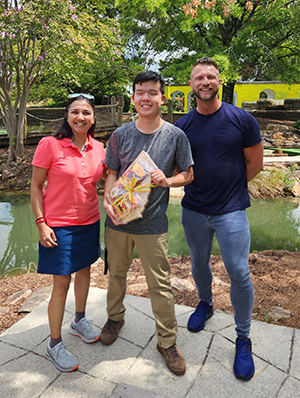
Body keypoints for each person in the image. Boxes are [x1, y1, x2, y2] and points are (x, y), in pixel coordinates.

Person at [175, 57, 263, 381]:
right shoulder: (182, 126)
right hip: (194, 210)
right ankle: (206, 303)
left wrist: (230, 191)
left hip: (231, 211)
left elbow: (255, 164)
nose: (206, 82)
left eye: (211, 76)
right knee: (198, 264)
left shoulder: (242, 119)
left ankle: (243, 338)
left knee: (239, 271)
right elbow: (179, 169)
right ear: (192, 84)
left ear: (219, 81)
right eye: (200, 77)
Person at [101, 70, 194, 376]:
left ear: (162, 97)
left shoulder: (175, 135)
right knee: (116, 275)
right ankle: (115, 317)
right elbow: (111, 172)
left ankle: (166, 341)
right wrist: (107, 199)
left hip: (153, 224)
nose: (146, 98)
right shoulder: (120, 135)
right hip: (118, 221)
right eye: (140, 92)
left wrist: (167, 180)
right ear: (133, 97)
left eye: (152, 93)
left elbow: (188, 174)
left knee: (160, 286)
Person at [31, 93, 107, 372]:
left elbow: (109, 180)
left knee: (85, 271)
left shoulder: (99, 148)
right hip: (58, 225)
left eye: (86, 112)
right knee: (61, 283)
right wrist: (41, 222)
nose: (80, 117)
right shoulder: (50, 145)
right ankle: (54, 344)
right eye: (75, 111)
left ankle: (79, 320)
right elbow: (36, 187)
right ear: (67, 116)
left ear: (93, 118)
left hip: (89, 221)